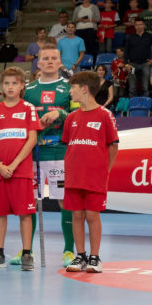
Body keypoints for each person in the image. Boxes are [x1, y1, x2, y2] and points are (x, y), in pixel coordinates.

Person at [62, 71, 120, 273]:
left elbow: (113, 146)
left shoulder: (105, 115)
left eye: (73, 88)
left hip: (95, 177)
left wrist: (106, 171)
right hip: (73, 176)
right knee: (76, 215)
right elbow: (70, 145)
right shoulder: (71, 118)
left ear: (84, 89)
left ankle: (95, 257)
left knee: (92, 215)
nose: (70, 92)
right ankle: (81, 256)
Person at [24, 47, 77, 265]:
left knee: (64, 200)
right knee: (29, 202)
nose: (49, 61)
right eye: (45, 58)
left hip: (58, 151)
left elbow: (78, 115)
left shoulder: (69, 88)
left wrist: (61, 113)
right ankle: (26, 251)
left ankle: (68, 250)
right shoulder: (28, 90)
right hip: (34, 152)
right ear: (38, 62)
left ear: (60, 62)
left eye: (54, 58)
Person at [0, 68, 40, 270]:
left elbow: (32, 138)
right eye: (6, 83)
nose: (10, 87)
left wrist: (14, 165)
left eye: (14, 83)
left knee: (25, 213)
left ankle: (27, 253)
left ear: (22, 85)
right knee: (0, 214)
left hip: (21, 171)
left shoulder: (28, 109)